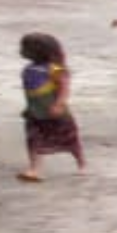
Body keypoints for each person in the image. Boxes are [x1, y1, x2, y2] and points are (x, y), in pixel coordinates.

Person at [17, 32, 85, 182]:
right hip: (35, 113)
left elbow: (64, 89)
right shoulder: (28, 68)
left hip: (56, 113)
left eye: (24, 47)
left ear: (38, 51)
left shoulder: (56, 69)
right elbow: (31, 92)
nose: (20, 50)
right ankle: (34, 169)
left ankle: (81, 164)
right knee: (33, 140)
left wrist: (58, 104)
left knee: (70, 141)